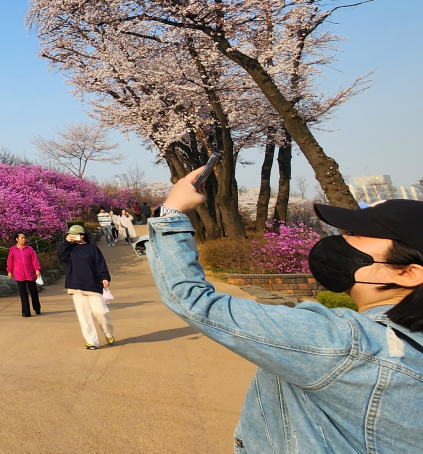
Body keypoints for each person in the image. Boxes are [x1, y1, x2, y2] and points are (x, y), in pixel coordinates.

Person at [149, 168, 423, 452]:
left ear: (408, 272)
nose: (342, 239)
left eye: (358, 234)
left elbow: (192, 299)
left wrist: (170, 212)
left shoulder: (343, 342)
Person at [57, 224, 113, 349]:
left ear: (82, 235)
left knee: (101, 312)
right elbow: (61, 256)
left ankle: (108, 333)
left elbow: (101, 264)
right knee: (84, 316)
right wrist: (66, 242)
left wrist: (104, 277)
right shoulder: (69, 249)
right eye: (70, 235)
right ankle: (92, 341)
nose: (73, 237)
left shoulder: (92, 248)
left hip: (93, 285)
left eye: (75, 234)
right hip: (76, 286)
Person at [6, 233, 42, 317]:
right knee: (23, 293)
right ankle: (26, 312)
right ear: (17, 239)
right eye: (22, 238)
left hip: (30, 274)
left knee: (33, 292)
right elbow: (10, 261)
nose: (24, 239)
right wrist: (9, 271)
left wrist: (37, 269)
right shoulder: (13, 250)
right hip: (19, 274)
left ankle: (37, 308)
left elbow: (34, 260)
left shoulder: (29, 249)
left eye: (24, 238)